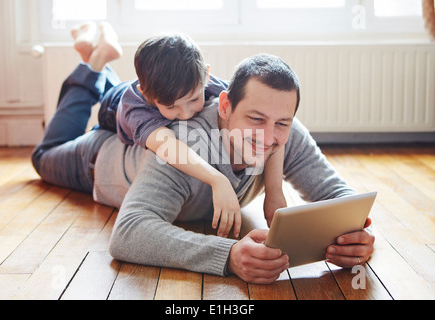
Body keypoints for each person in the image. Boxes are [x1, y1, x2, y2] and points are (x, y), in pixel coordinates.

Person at [31, 25, 375, 284]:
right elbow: (129, 232)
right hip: (97, 160)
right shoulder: (180, 145)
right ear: (225, 106)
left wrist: (353, 235)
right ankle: (91, 70)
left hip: (147, 117)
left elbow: (338, 194)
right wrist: (228, 255)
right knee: (43, 157)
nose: (268, 137)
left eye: (282, 122)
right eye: (255, 119)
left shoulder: (281, 132)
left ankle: (102, 76)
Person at [95, 27, 287, 238]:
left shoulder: (208, 83)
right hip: (112, 105)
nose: (185, 114)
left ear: (206, 75)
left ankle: (103, 65)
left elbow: (270, 119)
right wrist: (218, 179)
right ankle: (96, 67)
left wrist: (274, 191)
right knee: (100, 103)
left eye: (194, 100)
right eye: (171, 107)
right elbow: (168, 147)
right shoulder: (137, 107)